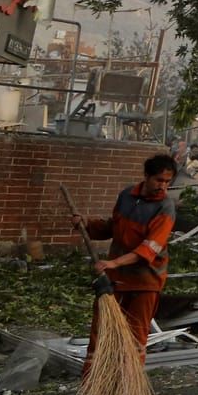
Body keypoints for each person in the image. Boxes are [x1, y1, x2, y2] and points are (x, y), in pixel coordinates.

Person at [71, 151, 178, 369]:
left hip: (145, 281)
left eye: (168, 182)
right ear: (146, 176)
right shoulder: (127, 196)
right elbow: (113, 227)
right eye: (159, 180)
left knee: (135, 338)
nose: (163, 187)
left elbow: (148, 249)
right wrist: (87, 224)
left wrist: (113, 263)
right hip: (115, 281)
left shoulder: (165, 208)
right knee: (100, 333)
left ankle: (128, 389)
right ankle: (93, 387)